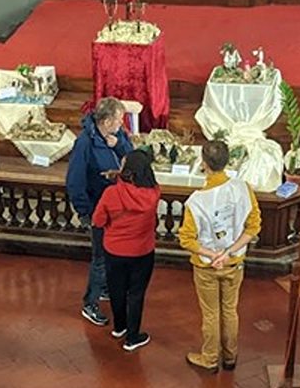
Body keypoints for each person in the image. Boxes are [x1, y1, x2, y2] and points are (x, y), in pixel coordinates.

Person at [177, 139, 260, 372]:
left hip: (206, 266)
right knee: (230, 310)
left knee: (211, 314)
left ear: (204, 164)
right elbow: (253, 227)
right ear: (228, 161)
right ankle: (231, 356)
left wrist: (214, 254)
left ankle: (210, 358)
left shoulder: (196, 201)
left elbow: (187, 239)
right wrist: (228, 252)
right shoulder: (243, 188)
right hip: (234, 263)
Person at [66, 97, 134, 327]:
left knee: (112, 254)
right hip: (98, 210)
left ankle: (105, 289)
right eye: (118, 120)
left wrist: (119, 145)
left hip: (117, 207)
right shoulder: (85, 143)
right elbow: (75, 181)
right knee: (100, 259)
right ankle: (90, 303)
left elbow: (131, 156)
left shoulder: (117, 135)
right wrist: (85, 212)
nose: (121, 124)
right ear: (105, 121)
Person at [90, 149, 161, 352]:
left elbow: (98, 220)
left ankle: (119, 327)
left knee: (116, 289)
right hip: (142, 251)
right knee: (136, 293)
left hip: (115, 250)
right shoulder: (154, 193)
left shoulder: (111, 194)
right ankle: (133, 336)